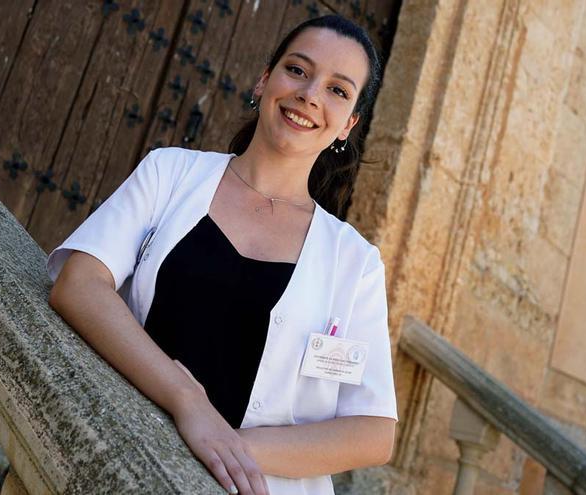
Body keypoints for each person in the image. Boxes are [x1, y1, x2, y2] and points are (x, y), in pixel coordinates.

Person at [47, 15, 397, 495]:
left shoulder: (354, 263)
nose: (311, 94)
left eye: (338, 90)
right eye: (297, 70)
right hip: (115, 458)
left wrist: (230, 445)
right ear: (264, 79)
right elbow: (80, 285)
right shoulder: (169, 173)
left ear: (349, 124)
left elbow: (373, 432)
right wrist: (187, 399)